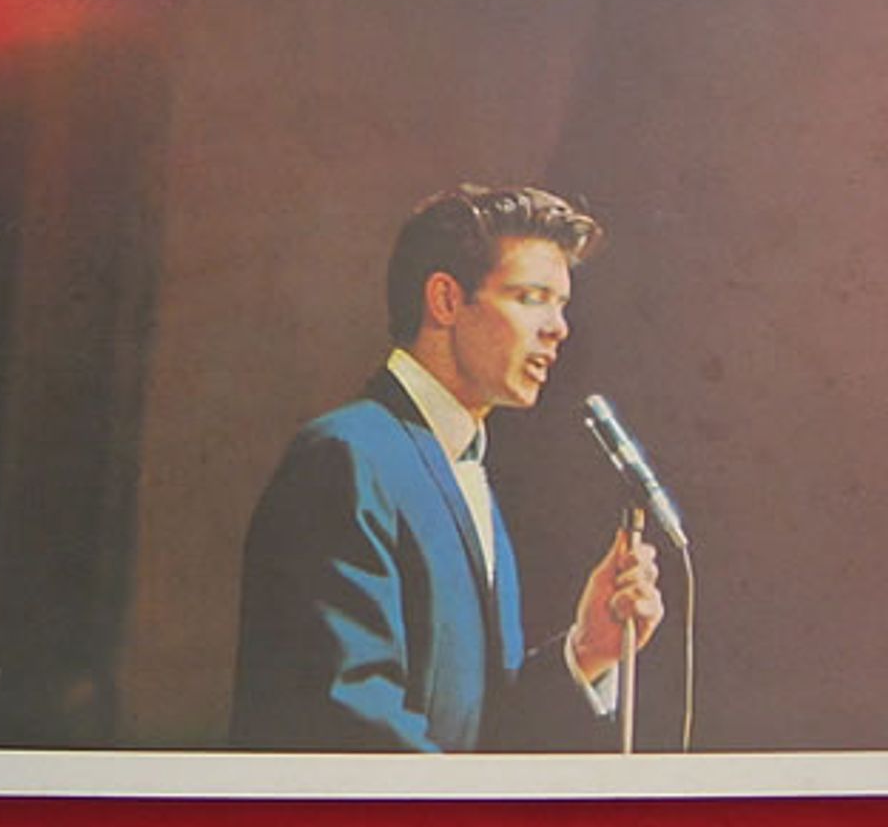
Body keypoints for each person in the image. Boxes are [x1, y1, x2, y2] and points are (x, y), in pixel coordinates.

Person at [230, 184, 664, 752]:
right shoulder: (347, 456)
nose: (558, 327)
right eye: (532, 297)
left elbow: (482, 734)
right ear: (445, 300)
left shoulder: (462, 465)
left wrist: (586, 650)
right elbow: (350, 726)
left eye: (561, 304)